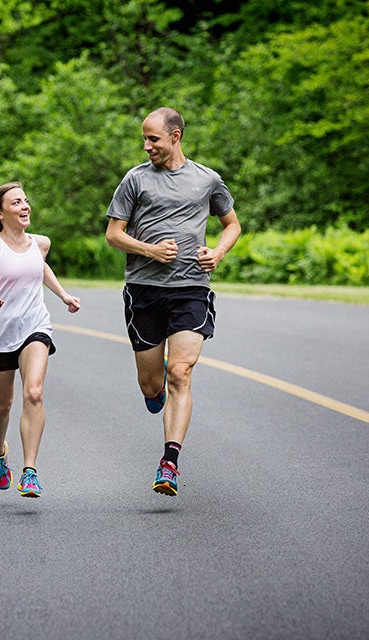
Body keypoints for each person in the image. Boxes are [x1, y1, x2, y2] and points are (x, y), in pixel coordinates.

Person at [105, 107, 242, 497]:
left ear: (176, 136)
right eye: (145, 140)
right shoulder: (135, 180)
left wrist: (218, 253)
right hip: (144, 290)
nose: (147, 146)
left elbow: (231, 224)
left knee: (181, 371)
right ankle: (155, 391)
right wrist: (148, 249)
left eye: (154, 139)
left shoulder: (206, 180)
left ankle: (170, 462)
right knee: (152, 385)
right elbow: (113, 234)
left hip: (191, 288)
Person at [0, 182, 81, 498]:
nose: (25, 207)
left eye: (25, 201)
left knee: (33, 392)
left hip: (35, 327)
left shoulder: (41, 243)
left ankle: (30, 471)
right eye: (16, 202)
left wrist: (63, 295)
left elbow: (40, 267)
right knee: (3, 405)